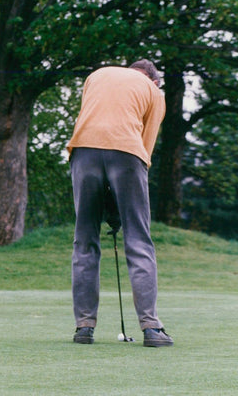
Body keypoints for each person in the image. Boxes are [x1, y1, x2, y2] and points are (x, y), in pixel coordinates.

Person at [66, 59, 173, 347]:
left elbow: (94, 120)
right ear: (153, 80)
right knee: (138, 240)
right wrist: (120, 208)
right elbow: (144, 149)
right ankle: (151, 328)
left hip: (82, 150)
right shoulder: (154, 92)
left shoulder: (97, 74)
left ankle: (84, 327)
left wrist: (108, 203)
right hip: (127, 152)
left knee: (84, 240)